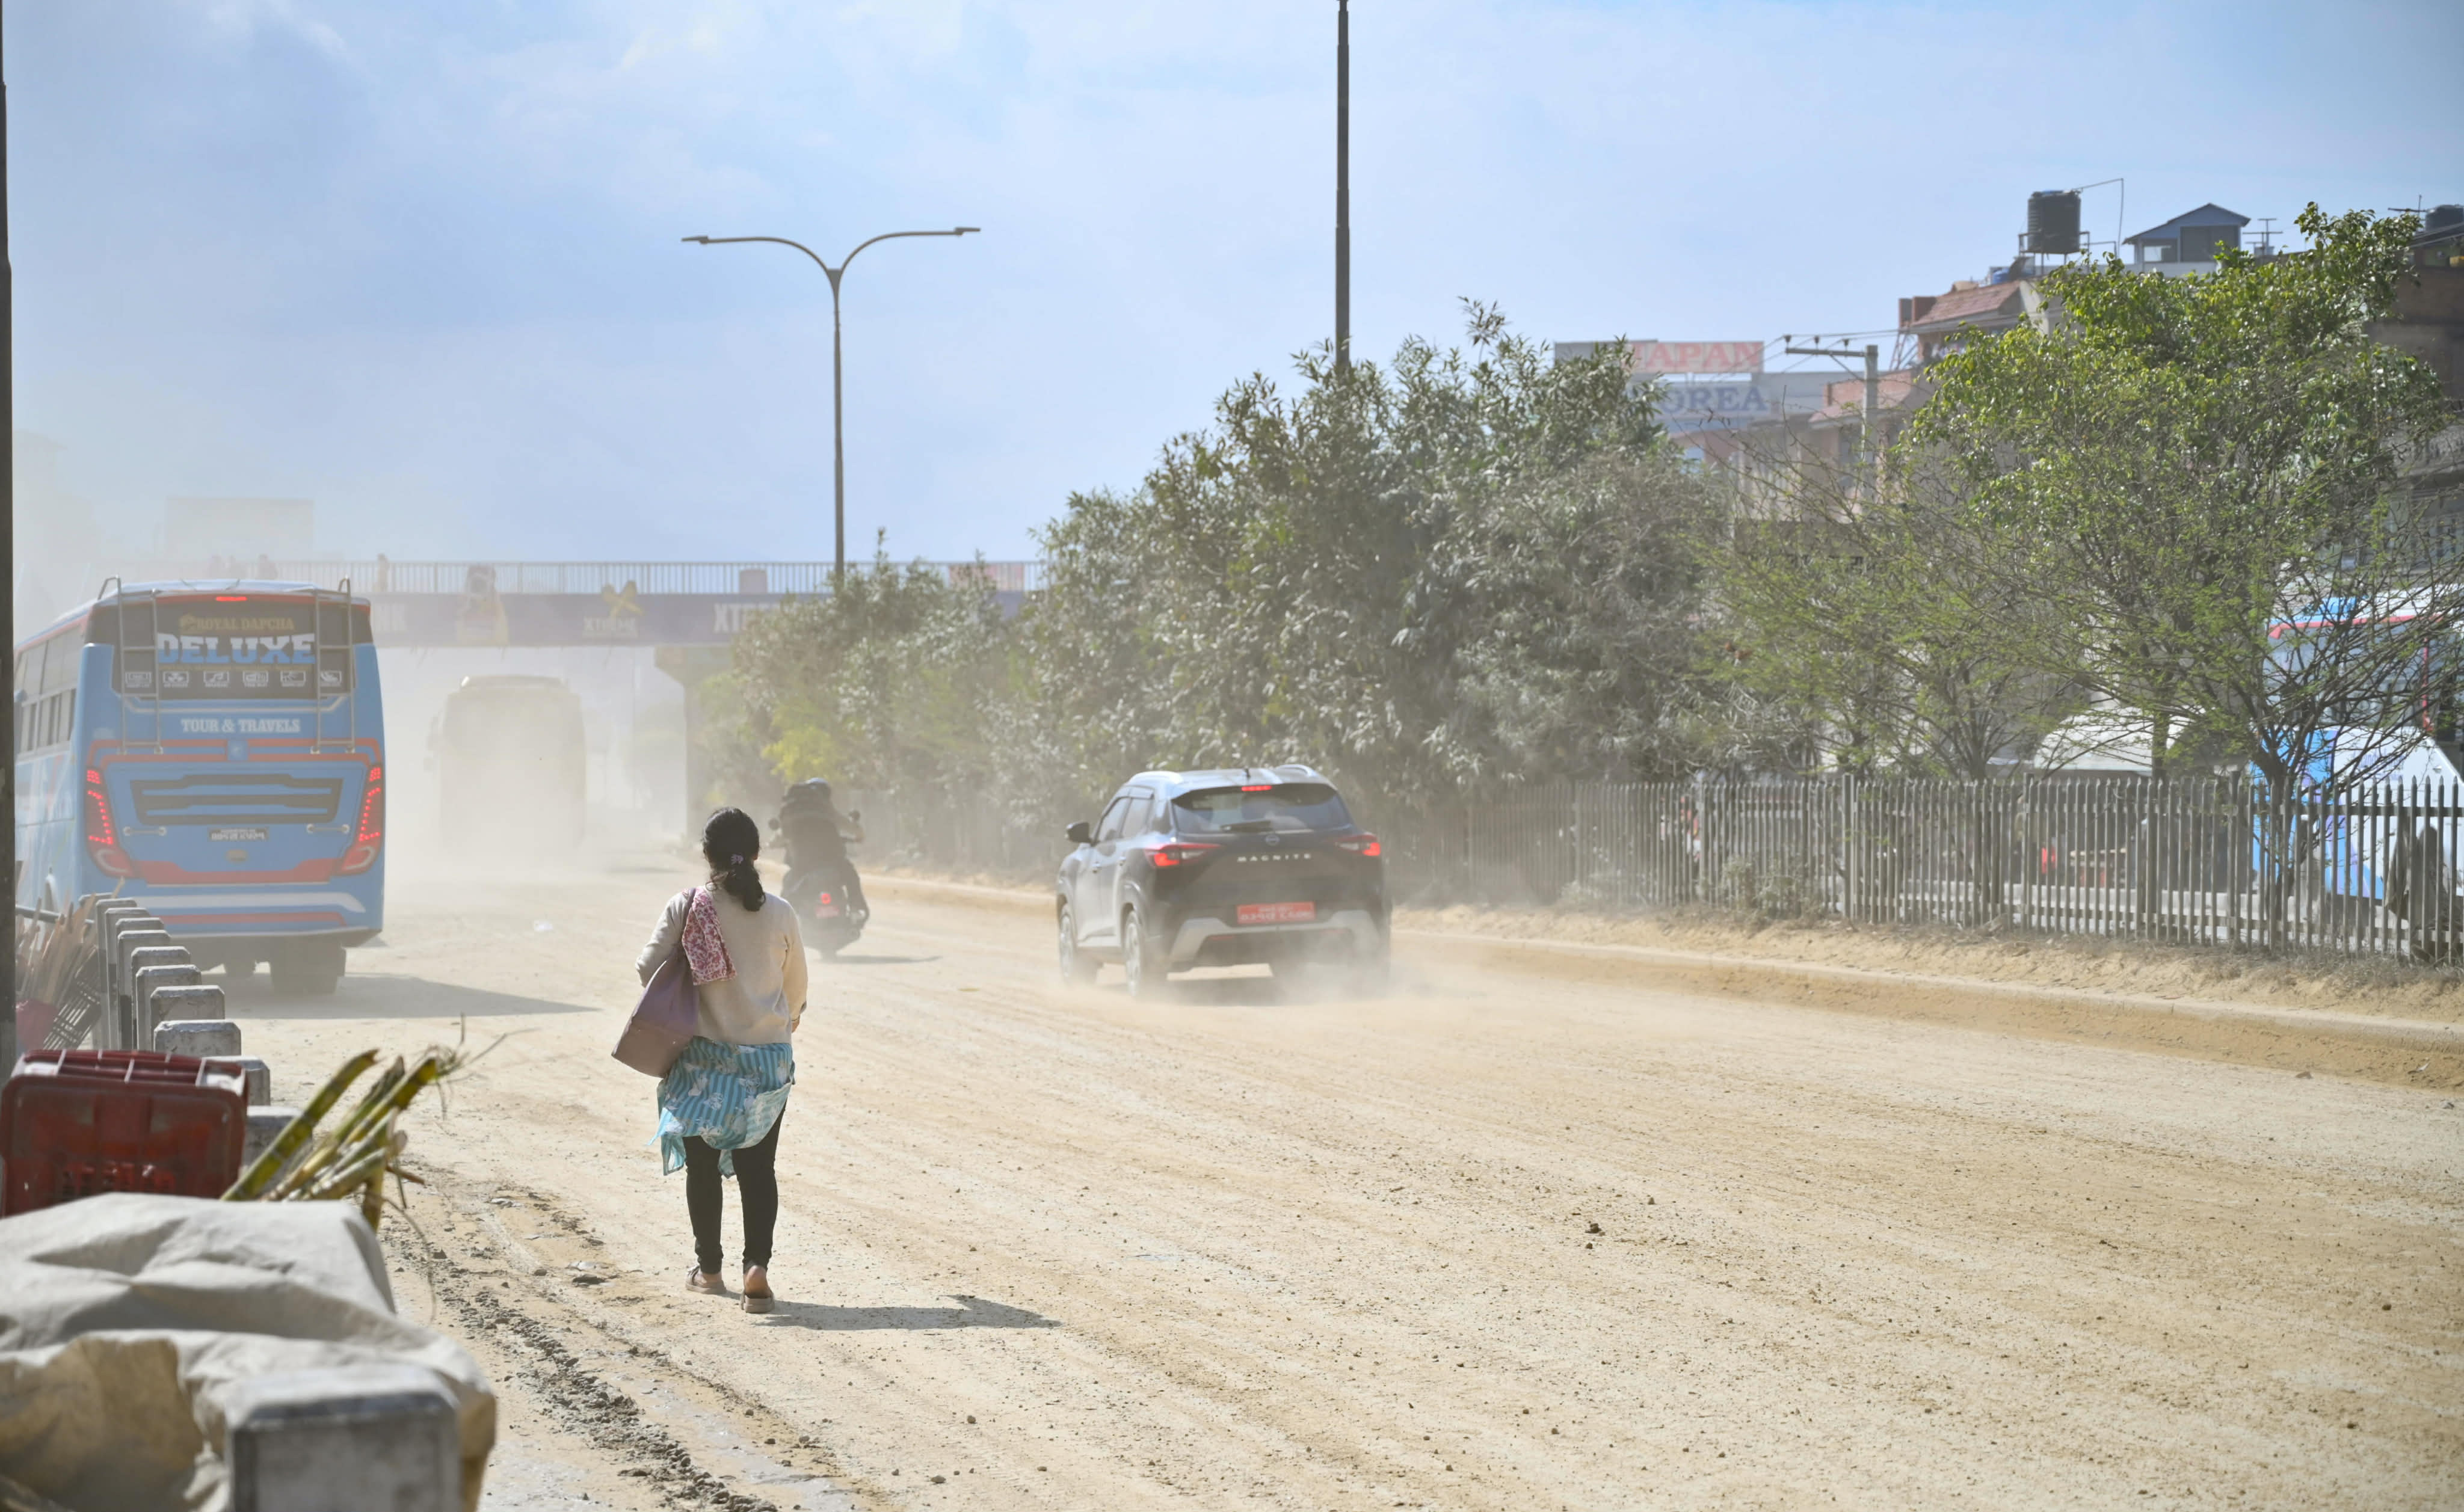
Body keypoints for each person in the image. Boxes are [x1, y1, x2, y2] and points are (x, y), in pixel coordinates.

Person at [635, 808, 807, 1312]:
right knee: (761, 1169)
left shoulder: (688, 907)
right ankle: (757, 1267)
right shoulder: (781, 912)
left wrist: (691, 965)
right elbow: (795, 992)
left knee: (702, 1168)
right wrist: (785, 1018)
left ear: (706, 856)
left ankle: (709, 1271)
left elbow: (647, 970)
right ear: (755, 855)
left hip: (703, 1060)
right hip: (768, 1063)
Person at [777, 779, 868, 917]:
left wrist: (771, 844)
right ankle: (856, 909)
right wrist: (860, 835)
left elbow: (781, 836)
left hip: (803, 863)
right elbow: (851, 827)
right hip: (831, 860)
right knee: (851, 875)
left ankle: (785, 920)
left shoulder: (792, 811)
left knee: (788, 884)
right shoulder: (825, 809)